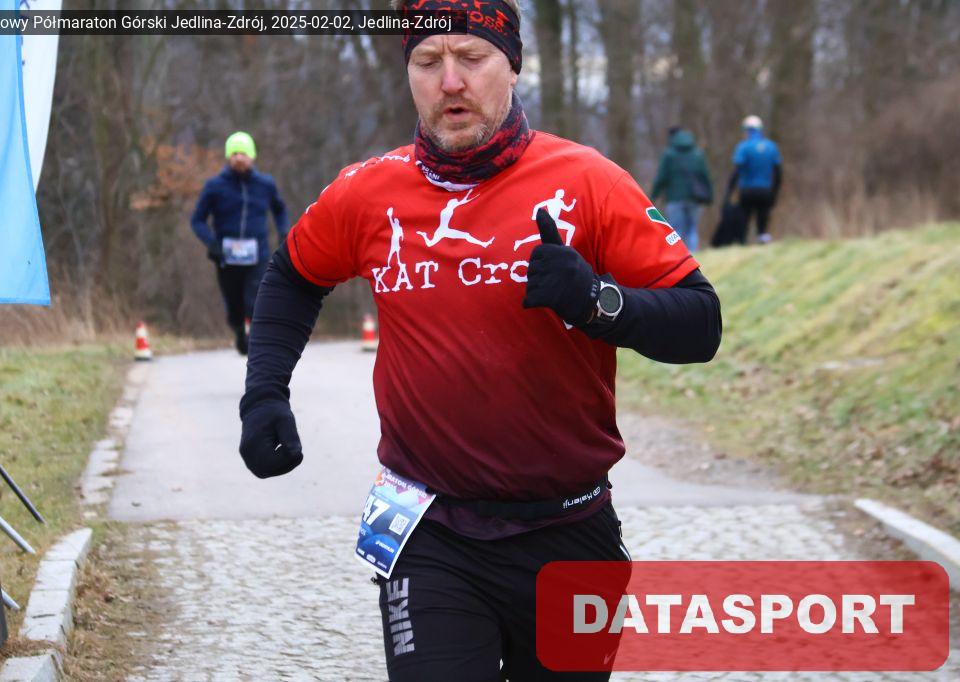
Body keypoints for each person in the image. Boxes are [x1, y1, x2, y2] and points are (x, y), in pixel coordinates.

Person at [238, 1, 722, 678]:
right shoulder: (368, 192)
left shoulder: (588, 182)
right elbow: (292, 275)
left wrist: (596, 301)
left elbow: (701, 323)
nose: (450, 81)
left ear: (513, 66)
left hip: (570, 530)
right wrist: (264, 393)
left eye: (471, 57)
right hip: (427, 528)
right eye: (427, 61)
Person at [190, 131, 288, 354]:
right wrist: (212, 243)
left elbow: (280, 210)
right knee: (234, 304)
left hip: (257, 253)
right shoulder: (215, 186)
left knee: (255, 299)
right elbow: (197, 221)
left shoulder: (265, 184)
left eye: (243, 153)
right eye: (234, 153)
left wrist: (283, 232)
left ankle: (254, 339)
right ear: (228, 157)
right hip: (226, 255)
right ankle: (238, 330)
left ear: (252, 156)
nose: (239, 158)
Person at [650, 127, 713, 251]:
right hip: (694, 198)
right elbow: (705, 177)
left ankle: (678, 255)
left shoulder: (669, 155)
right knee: (692, 228)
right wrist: (710, 196)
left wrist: (653, 196)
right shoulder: (698, 154)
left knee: (675, 229)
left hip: (674, 198)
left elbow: (661, 177)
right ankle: (693, 255)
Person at [727, 115, 782, 244]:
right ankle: (762, 239)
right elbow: (778, 173)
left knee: (744, 218)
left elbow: (736, 171)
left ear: (746, 131)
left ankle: (743, 243)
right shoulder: (771, 146)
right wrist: (774, 192)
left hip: (747, 190)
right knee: (763, 218)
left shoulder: (743, 147)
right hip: (766, 190)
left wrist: (729, 191)